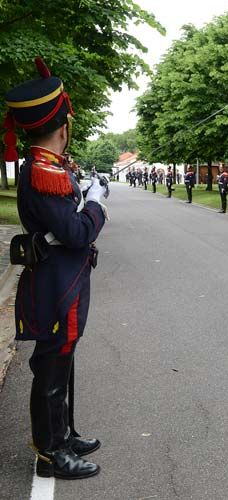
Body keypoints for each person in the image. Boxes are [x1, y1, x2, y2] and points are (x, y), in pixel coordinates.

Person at [3, 58, 107, 479]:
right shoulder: (44, 171)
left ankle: (65, 433)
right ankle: (50, 452)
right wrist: (97, 203)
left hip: (64, 277)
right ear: (64, 125)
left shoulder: (51, 167)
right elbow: (78, 233)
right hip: (56, 282)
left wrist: (83, 193)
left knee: (63, 357)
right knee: (52, 363)